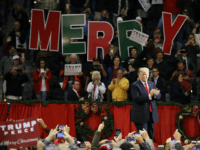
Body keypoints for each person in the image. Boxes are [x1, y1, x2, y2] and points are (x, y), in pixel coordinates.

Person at [131, 67, 161, 139]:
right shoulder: (135, 85)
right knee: (143, 138)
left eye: (146, 74)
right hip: (141, 115)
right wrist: (149, 95)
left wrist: (156, 94)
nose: (145, 76)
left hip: (151, 115)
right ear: (139, 74)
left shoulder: (152, 83)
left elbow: (159, 97)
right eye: (143, 74)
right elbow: (136, 99)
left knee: (151, 136)